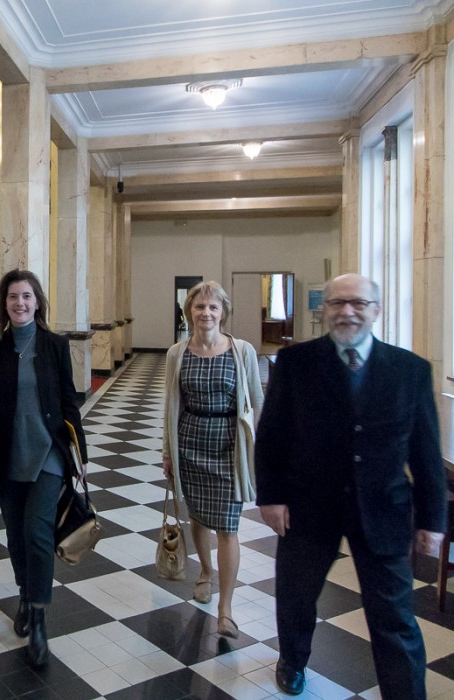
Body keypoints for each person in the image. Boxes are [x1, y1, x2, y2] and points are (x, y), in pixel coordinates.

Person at [254, 273, 446, 698]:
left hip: (383, 509)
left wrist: (433, 519)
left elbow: (426, 451)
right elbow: (271, 435)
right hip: (308, 506)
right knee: (297, 597)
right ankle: (293, 660)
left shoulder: (410, 370)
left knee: (394, 616)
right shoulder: (296, 363)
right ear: (325, 310)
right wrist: (271, 497)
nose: (347, 311)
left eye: (358, 303)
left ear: (375, 310)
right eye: (338, 303)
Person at [0, 269, 88, 668]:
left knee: (37, 533)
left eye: (27, 296)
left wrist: (80, 455)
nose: (20, 303)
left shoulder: (54, 345)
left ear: (37, 302)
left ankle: (39, 617)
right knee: (15, 536)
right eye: (13, 297)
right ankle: (24, 592)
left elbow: (68, 401)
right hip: (8, 452)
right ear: (5, 304)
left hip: (48, 451)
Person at [162, 281, 263, 640]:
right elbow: (171, 405)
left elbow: (256, 401)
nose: (206, 313)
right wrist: (167, 451)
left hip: (228, 447)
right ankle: (205, 571)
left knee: (228, 526)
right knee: (198, 517)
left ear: (223, 313)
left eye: (213, 307)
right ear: (189, 312)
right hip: (190, 443)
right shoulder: (177, 353)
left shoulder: (242, 350)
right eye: (199, 306)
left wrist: (258, 451)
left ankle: (226, 609)